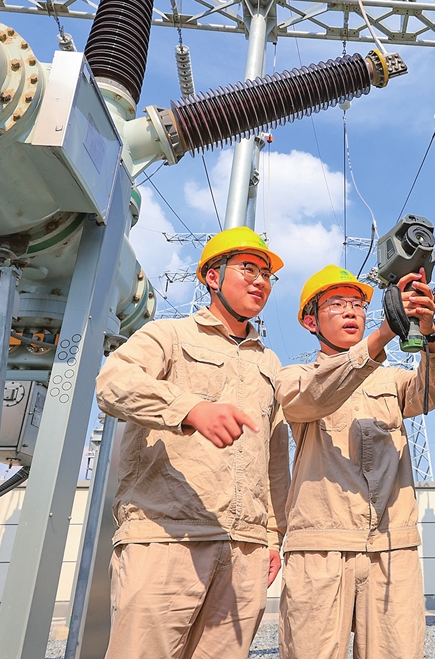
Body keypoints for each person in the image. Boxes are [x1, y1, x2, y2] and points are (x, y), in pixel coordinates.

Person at [95, 227, 290, 659]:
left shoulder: (270, 363)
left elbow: (276, 459)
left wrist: (272, 538)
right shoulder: (169, 336)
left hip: (245, 548)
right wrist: (190, 409)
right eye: (247, 269)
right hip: (167, 537)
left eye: (266, 274)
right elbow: (113, 383)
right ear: (212, 277)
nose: (260, 281)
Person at [275, 265, 435, 659]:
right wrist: (383, 334)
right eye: (337, 304)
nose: (351, 312)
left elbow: (434, 391)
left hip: (392, 548)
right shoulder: (295, 378)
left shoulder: (391, 380)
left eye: (358, 304)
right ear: (311, 320)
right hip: (320, 548)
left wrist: (430, 336)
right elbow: (317, 394)